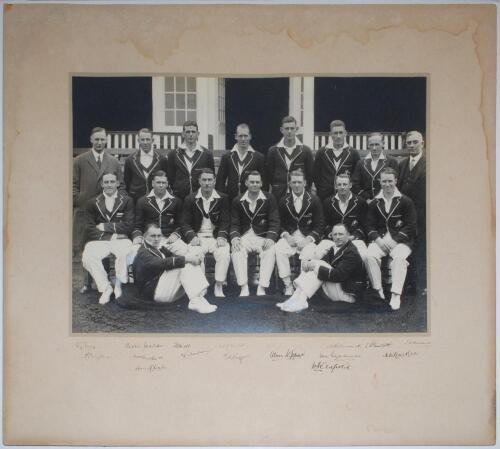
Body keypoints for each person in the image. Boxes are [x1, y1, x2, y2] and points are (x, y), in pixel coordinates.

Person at [277, 224, 365, 313]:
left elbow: (338, 275)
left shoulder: (351, 252)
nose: (337, 237)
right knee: (316, 265)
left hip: (347, 294)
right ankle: (295, 299)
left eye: (341, 234)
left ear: (348, 235)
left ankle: (301, 300)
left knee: (317, 265)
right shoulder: (335, 248)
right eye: (335, 234)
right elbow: (322, 263)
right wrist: (310, 264)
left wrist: (314, 266)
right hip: (337, 287)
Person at [133, 224, 217, 314]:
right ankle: (195, 301)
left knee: (188, 260)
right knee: (185, 263)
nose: (157, 239)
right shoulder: (143, 252)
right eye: (153, 236)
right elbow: (159, 263)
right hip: (152, 293)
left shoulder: (157, 247)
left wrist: (192, 257)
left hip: (163, 288)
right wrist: (187, 259)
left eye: (159, 235)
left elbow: (174, 256)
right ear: (144, 236)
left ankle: (199, 299)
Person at [365, 167, 417, 310]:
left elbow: (411, 226)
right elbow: (369, 225)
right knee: (369, 255)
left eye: (390, 181)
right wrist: (378, 240)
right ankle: (378, 290)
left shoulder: (406, 201)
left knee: (399, 258)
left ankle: (395, 294)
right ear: (380, 182)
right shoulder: (375, 202)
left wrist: (395, 240)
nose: (387, 184)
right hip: (381, 240)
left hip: (400, 241)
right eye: (384, 181)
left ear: (395, 181)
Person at [81, 172, 134, 305]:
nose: (109, 185)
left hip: (121, 240)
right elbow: (89, 228)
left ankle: (118, 284)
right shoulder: (92, 203)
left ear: (117, 183)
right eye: (106, 182)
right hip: (101, 240)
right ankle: (106, 287)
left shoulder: (127, 201)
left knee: (126, 252)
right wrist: (113, 235)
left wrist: (104, 226)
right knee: (88, 256)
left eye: (112, 182)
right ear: (102, 184)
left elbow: (128, 226)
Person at [131, 170, 202, 260]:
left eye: (163, 182)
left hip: (169, 239)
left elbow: (181, 224)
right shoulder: (142, 201)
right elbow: (138, 225)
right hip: (149, 239)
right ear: (152, 183)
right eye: (158, 182)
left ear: (167, 184)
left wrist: (176, 234)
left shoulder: (176, 201)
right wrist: (137, 236)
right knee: (134, 251)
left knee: (185, 251)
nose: (161, 185)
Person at [73, 127, 124, 252]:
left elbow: (121, 186)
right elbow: (72, 184)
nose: (99, 142)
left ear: (106, 140)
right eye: (96, 139)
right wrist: (78, 200)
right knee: (81, 249)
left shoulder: (114, 162)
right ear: (91, 140)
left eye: (102, 139)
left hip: (107, 213)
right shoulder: (79, 160)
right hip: (84, 211)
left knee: (103, 249)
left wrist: (116, 206)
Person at [181, 169, 231, 298]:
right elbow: (185, 223)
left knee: (224, 252)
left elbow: (226, 221)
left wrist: (222, 236)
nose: (207, 183)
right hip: (198, 237)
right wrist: (192, 236)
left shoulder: (222, 198)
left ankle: (219, 285)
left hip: (215, 237)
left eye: (210, 180)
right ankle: (201, 287)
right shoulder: (190, 199)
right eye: (204, 180)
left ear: (214, 181)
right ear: (199, 181)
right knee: (194, 253)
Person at [230, 171, 280, 296]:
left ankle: (262, 287)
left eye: (257, 182)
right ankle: (243, 286)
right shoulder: (238, 200)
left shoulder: (269, 198)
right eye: (252, 182)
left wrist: (271, 237)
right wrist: (235, 238)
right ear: (246, 183)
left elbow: (275, 221)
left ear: (262, 183)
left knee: (270, 249)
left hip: (262, 236)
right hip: (245, 236)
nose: (255, 184)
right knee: (236, 249)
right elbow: (234, 223)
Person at [275, 169, 324, 295]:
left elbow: (319, 225)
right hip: (290, 238)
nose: (296, 185)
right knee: (279, 248)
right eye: (294, 182)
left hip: (307, 238)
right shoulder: (283, 201)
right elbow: (278, 224)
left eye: (299, 182)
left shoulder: (314, 200)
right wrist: (286, 236)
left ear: (305, 183)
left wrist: (308, 239)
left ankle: (302, 286)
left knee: (309, 252)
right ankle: (288, 285)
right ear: (289, 184)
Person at [397, 131, 426, 293]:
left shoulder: (430, 162)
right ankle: (408, 284)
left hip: (423, 215)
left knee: (422, 248)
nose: (412, 145)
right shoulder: (402, 164)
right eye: (409, 143)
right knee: (407, 248)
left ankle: (422, 285)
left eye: (415, 142)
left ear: (422, 143)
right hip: (406, 216)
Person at [317, 173, 368, 262]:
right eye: (339, 184)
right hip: (332, 239)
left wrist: (353, 236)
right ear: (335, 186)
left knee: (364, 256)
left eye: (345, 184)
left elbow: (364, 225)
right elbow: (324, 224)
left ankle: (361, 276)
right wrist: (332, 235)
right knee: (316, 253)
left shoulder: (360, 202)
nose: (342, 187)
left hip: (353, 239)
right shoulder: (328, 202)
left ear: (350, 185)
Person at [215, 123, 267, 200]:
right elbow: (220, 182)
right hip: (230, 200)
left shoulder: (258, 157)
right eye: (240, 136)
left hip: (251, 200)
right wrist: (222, 201)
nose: (243, 139)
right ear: (236, 136)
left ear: (250, 136)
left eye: (245, 136)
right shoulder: (227, 157)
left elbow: (264, 184)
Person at [266, 116, 314, 198]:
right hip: (278, 195)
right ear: (281, 130)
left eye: (292, 128)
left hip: (299, 195)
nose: (289, 131)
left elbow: (310, 176)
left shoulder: (306, 151)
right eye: (287, 128)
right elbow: (269, 175)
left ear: (296, 129)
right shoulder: (273, 150)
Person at [166, 121, 215, 200]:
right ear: (183, 134)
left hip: (200, 197)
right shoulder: (173, 154)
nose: (191, 134)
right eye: (188, 132)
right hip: (179, 197)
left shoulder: (206, 154)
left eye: (193, 132)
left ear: (198, 134)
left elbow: (211, 175)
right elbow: (170, 178)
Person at [313, 120, 361, 201]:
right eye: (335, 133)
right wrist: (323, 190)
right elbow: (316, 176)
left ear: (345, 133)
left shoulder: (353, 153)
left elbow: (356, 177)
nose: (338, 136)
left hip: (346, 197)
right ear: (330, 134)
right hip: (325, 197)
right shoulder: (321, 152)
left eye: (340, 132)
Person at [123, 128, 169, 203]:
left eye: (148, 139)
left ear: (152, 140)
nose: (145, 142)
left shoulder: (161, 159)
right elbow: (127, 182)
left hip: (156, 201)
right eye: (142, 139)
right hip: (135, 200)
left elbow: (166, 180)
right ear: (138, 140)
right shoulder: (130, 160)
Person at [351, 132, 399, 202]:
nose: (374, 148)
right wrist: (366, 199)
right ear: (368, 145)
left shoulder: (391, 161)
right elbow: (355, 184)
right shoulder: (361, 163)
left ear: (383, 144)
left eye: (377, 144)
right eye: (371, 145)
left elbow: (396, 183)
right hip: (366, 203)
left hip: (387, 201)